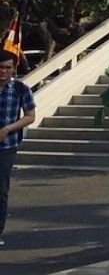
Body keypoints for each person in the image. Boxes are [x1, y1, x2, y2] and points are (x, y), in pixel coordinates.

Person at [0, 48, 37, 245]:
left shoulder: (20, 89)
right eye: (1, 68)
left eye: (8, 68)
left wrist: (8, 129)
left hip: (6, 146)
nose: (4, 72)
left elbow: (30, 116)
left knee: (1, 190)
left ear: (14, 69)